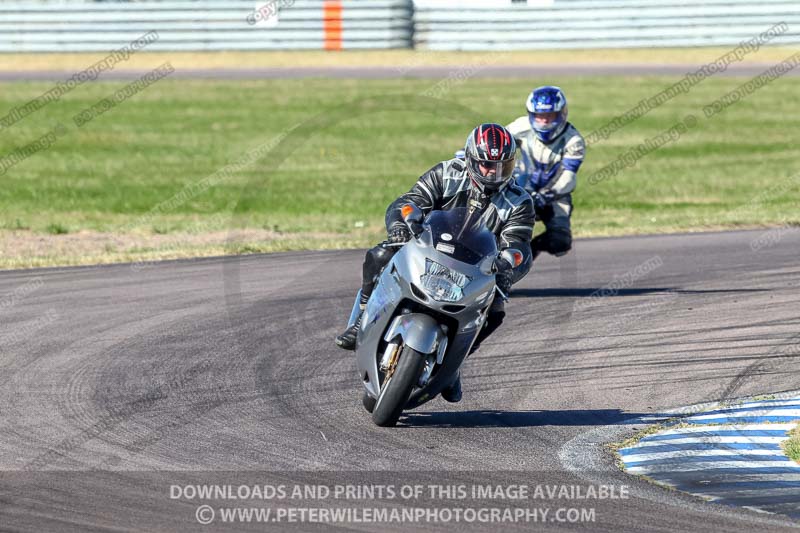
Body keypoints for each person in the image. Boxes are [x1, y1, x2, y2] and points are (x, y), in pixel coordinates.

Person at [335, 123, 535, 403]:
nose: (494, 172)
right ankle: (361, 319)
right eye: (487, 164)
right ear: (471, 158)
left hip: (474, 268)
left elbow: (519, 243)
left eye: (503, 165)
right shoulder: (446, 173)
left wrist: (507, 264)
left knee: (496, 309)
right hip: (426, 249)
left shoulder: (519, 201)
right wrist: (401, 225)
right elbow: (409, 201)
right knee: (379, 255)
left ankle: (455, 364)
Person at [506, 86, 585, 261]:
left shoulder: (573, 140)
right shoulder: (521, 126)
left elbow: (569, 176)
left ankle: (534, 247)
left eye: (549, 117)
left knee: (560, 242)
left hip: (556, 195)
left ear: (561, 114)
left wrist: (548, 194)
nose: (544, 122)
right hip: (521, 188)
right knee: (502, 228)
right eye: (539, 117)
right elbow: (497, 141)